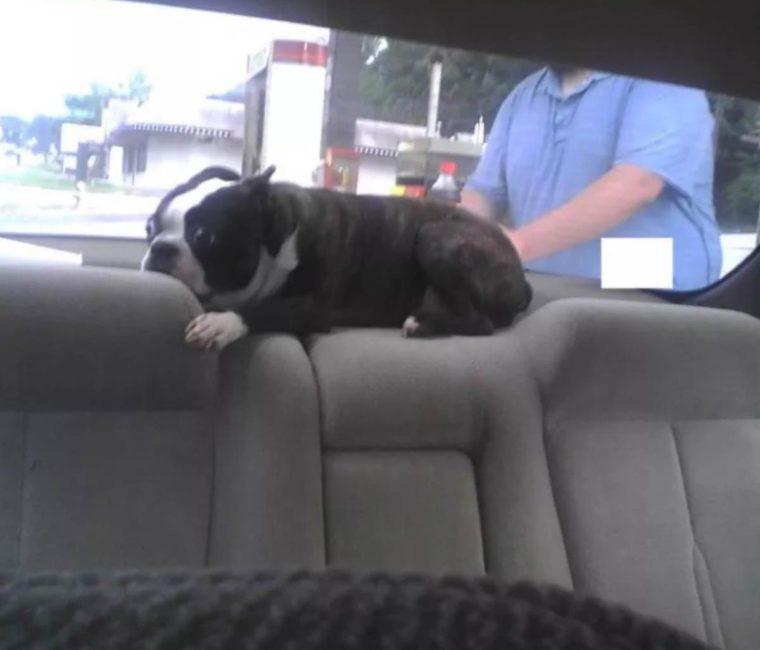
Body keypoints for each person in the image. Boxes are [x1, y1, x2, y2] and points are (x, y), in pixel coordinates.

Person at [461, 64, 722, 290]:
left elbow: (638, 183)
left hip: (653, 302)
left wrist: (519, 245)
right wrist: (454, 238)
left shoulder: (665, 81)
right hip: (540, 295)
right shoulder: (522, 95)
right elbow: (485, 192)